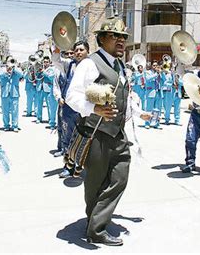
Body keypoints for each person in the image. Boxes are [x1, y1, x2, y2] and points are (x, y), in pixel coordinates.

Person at [66, 17, 151, 246]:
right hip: (96, 133)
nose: (121, 41)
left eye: (124, 37)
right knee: (95, 183)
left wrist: (138, 112)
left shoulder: (119, 65)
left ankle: (96, 222)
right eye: (116, 36)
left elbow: (124, 96)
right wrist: (93, 108)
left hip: (117, 133)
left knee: (120, 176)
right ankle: (95, 229)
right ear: (102, 39)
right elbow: (71, 96)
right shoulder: (90, 63)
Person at [52, 41, 90, 177]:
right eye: (76, 50)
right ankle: (68, 167)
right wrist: (57, 44)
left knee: (85, 138)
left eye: (81, 50)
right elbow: (55, 60)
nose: (78, 52)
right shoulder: (69, 65)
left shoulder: (92, 66)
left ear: (87, 52)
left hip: (86, 108)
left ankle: (83, 165)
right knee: (68, 138)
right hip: (69, 108)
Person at [0, 56, 22, 132]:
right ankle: (6, 125)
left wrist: (14, 68)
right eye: (9, 61)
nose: (10, 63)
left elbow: (21, 75)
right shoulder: (2, 69)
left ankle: (15, 125)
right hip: (5, 93)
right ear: (6, 61)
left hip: (14, 93)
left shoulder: (17, 69)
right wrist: (6, 71)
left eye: (12, 61)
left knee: (15, 110)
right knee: (5, 111)